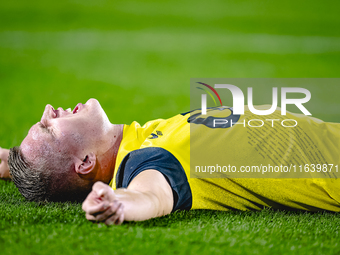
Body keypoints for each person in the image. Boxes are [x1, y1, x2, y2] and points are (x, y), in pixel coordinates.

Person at [1, 98, 340, 226]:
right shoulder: (147, 162)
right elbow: (151, 195)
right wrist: (120, 202)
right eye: (48, 128)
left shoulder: (142, 138)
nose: (48, 110)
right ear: (87, 163)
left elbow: (28, 166)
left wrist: (9, 164)